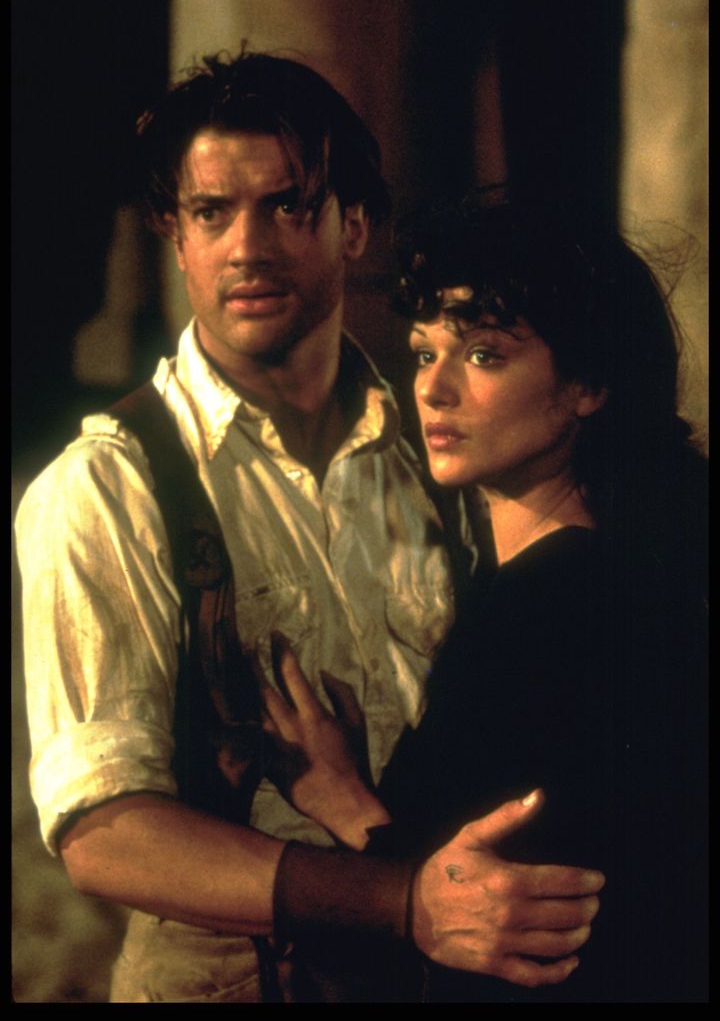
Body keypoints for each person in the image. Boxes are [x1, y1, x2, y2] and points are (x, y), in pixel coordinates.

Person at [15, 56, 603, 1003]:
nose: (247, 247)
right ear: (175, 236)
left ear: (353, 227)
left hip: (440, 972)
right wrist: (402, 900)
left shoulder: (442, 454)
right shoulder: (108, 487)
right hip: (227, 977)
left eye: (288, 206)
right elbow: (104, 835)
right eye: (211, 212)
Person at [262, 201, 708, 1002]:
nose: (434, 389)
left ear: (588, 383)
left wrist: (343, 798)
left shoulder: (541, 610)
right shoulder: (626, 572)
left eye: (483, 355)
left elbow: (458, 906)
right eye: (423, 352)